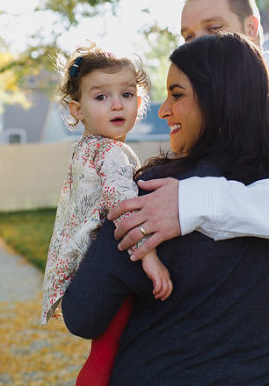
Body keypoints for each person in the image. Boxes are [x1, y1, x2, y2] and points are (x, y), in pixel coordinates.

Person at [62, 33, 269, 385]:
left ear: (219, 99)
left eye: (177, 94)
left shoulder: (154, 194)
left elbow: (83, 315)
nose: (163, 109)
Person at [40, 44, 172, 386]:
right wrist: (150, 257)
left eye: (127, 94)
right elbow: (122, 204)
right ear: (77, 109)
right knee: (107, 351)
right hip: (104, 267)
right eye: (101, 97)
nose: (116, 104)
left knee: (106, 350)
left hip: (78, 264)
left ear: (139, 104)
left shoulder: (86, 147)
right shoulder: (112, 152)